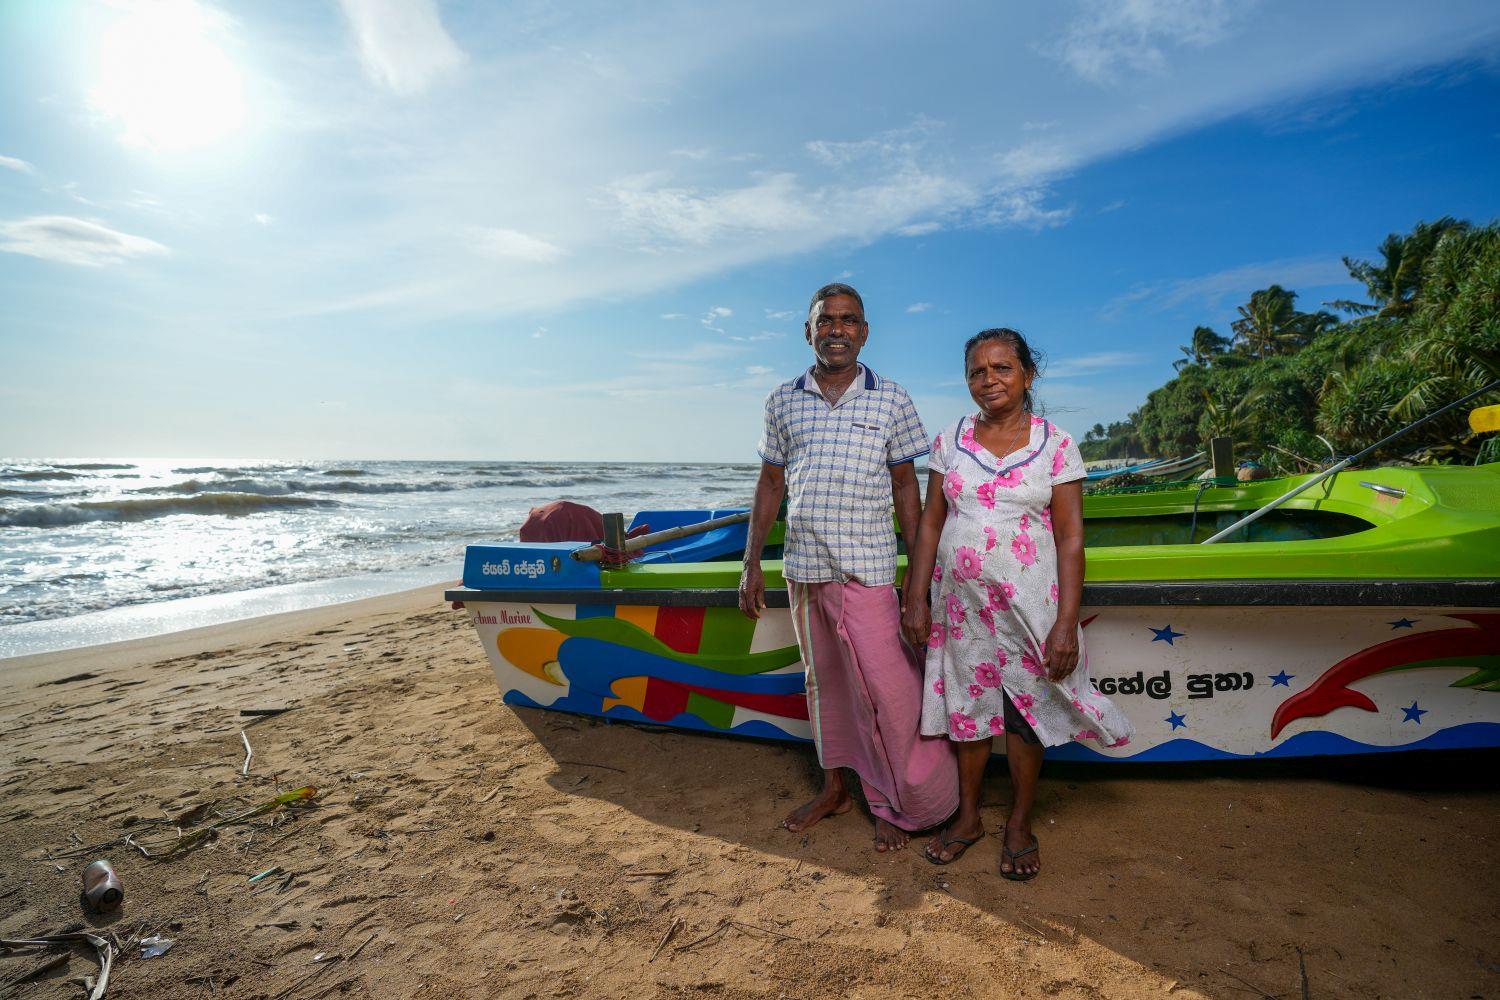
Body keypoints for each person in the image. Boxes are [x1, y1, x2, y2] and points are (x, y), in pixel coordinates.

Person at [902, 328, 1133, 878]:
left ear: (1028, 374)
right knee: (970, 711)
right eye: (978, 371)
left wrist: (1066, 625)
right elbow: (931, 522)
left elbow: (1071, 538)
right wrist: (915, 595)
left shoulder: (1056, 445)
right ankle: (969, 818)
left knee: (1026, 715)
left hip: (1032, 608)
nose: (990, 380)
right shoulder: (949, 440)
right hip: (960, 607)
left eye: (1002, 368)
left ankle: (1020, 823)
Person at [740, 283, 959, 852]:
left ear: (864, 332)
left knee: (889, 691)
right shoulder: (782, 399)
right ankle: (835, 788)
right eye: (826, 320)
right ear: (808, 330)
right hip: (805, 568)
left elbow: (907, 489)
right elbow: (771, 483)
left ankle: (904, 801)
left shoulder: (892, 398)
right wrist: (751, 563)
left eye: (848, 320)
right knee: (826, 686)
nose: (837, 329)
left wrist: (918, 581)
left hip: (868, 570)